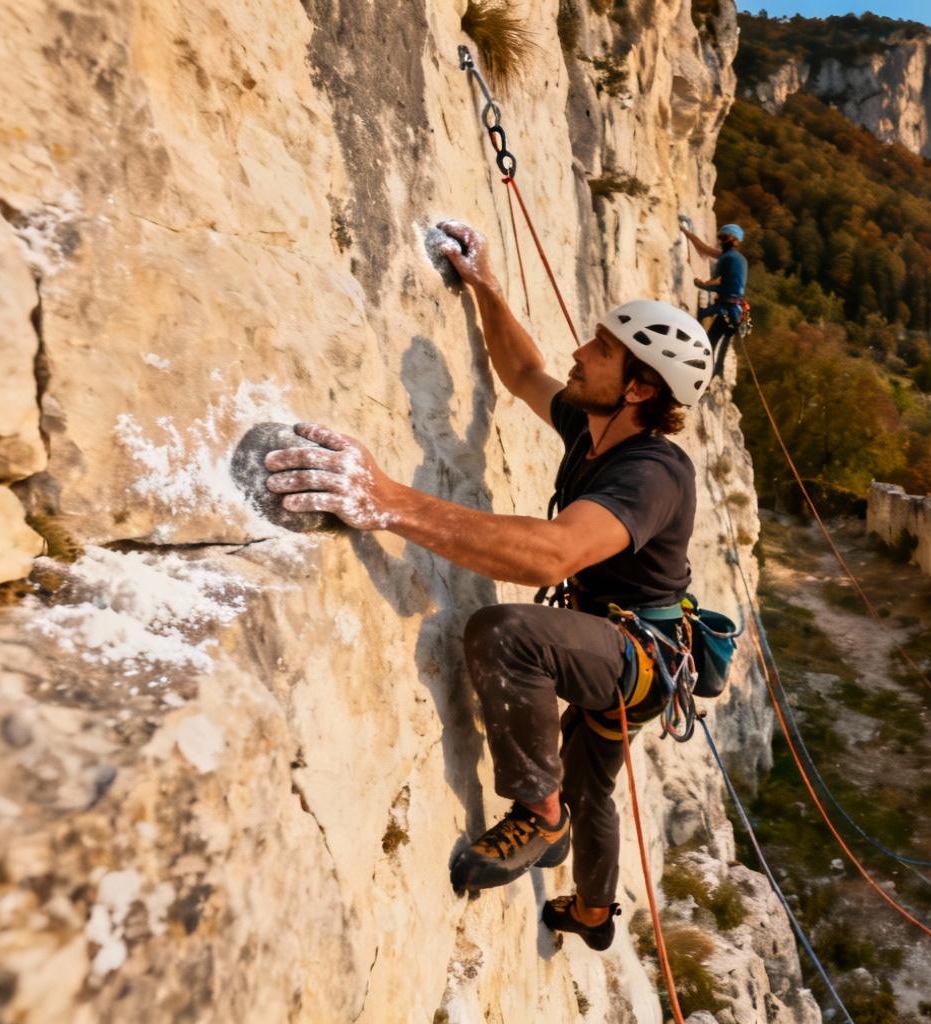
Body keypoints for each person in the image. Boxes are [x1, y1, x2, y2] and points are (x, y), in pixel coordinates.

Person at [262, 220, 715, 952]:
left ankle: (540, 817)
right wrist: (486, 289)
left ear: (638, 388)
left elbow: (551, 555)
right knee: (591, 785)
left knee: (508, 636)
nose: (579, 352)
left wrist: (387, 500)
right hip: (619, 645)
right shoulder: (595, 427)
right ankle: (593, 912)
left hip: (635, 656)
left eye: (601, 350)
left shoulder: (653, 473)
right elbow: (524, 372)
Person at [680, 220, 747, 377]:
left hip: (727, 308)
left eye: (724, 238)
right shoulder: (739, 259)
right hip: (737, 311)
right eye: (720, 237)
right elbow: (704, 248)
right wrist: (687, 233)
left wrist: (702, 285)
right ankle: (714, 371)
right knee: (720, 346)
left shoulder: (727, 258)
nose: (721, 241)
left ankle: (704, 374)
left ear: (733, 241)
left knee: (710, 341)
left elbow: (720, 284)